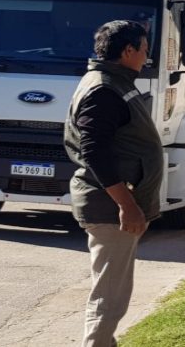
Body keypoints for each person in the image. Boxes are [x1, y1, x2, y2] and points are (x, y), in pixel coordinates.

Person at [64, 20, 163, 347]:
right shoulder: (105, 89)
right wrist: (127, 205)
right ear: (128, 50)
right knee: (110, 294)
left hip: (115, 205)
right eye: (144, 51)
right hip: (110, 208)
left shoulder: (115, 82)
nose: (146, 58)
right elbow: (94, 153)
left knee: (113, 290)